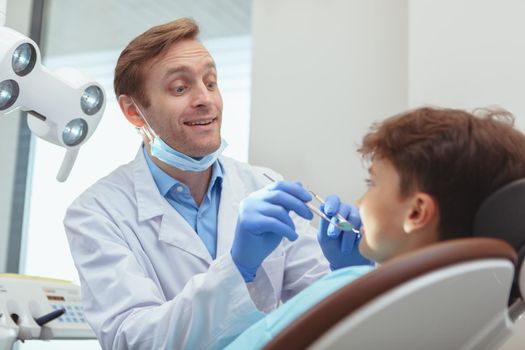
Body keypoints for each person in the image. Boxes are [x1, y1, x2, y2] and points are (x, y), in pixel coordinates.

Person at [63, 18, 368, 350]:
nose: (205, 99)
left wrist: (347, 272)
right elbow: (134, 340)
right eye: (180, 88)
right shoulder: (96, 213)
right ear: (134, 112)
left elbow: (325, 318)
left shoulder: (263, 185)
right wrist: (238, 266)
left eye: (210, 82)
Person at [224, 106, 525, 349]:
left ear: (417, 211)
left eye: (372, 183)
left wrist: (345, 280)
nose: (359, 199)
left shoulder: (353, 290)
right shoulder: (475, 302)